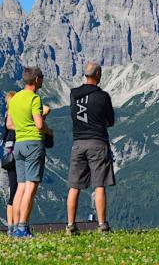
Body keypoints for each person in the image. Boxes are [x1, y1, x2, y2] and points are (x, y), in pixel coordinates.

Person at [66, 61, 115, 235]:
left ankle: (70, 226)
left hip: (78, 143)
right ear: (98, 75)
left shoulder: (73, 94)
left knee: (74, 185)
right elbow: (110, 121)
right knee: (99, 185)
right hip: (97, 142)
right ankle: (102, 225)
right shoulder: (103, 96)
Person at [6, 67, 52, 238]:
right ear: (37, 80)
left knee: (21, 187)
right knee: (31, 186)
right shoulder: (35, 98)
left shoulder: (15, 98)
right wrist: (49, 131)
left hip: (18, 144)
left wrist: (23, 127)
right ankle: (23, 227)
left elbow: (9, 124)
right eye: (42, 78)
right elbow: (39, 124)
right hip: (33, 143)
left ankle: (14, 228)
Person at [2, 91, 17, 236]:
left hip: (8, 155)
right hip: (15, 155)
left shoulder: (7, 114)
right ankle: (15, 225)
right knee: (16, 191)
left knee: (14, 191)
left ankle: (11, 226)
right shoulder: (12, 116)